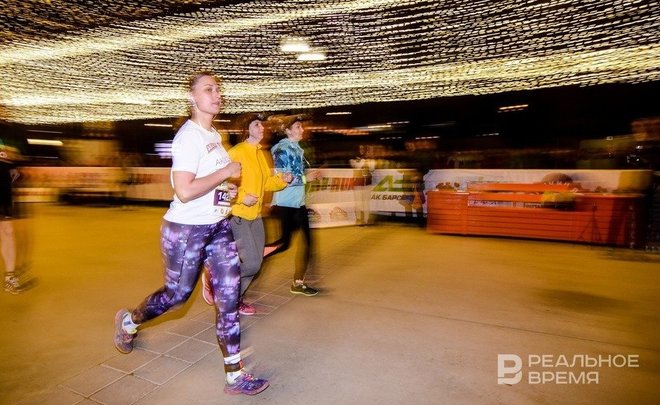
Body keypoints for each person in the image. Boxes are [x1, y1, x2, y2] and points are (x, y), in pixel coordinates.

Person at [113, 71, 269, 396]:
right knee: (177, 296)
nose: (217, 94)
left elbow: (210, 185)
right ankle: (129, 321)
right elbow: (184, 190)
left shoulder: (213, 134)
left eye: (218, 89)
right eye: (208, 89)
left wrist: (231, 194)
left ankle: (235, 376)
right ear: (192, 98)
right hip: (186, 231)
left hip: (219, 227)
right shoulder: (188, 137)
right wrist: (225, 173)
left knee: (229, 299)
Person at [201, 113, 292, 315]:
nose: (262, 128)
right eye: (256, 124)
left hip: (256, 216)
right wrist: (242, 197)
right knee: (250, 263)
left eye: (262, 124)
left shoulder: (261, 153)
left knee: (256, 264)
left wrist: (282, 180)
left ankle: (235, 299)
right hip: (238, 216)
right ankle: (217, 279)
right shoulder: (236, 152)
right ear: (246, 129)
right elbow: (223, 184)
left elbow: (266, 183)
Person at [264, 115, 320, 296]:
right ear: (287, 130)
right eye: (298, 127)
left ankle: (298, 282)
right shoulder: (282, 150)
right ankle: (253, 256)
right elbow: (282, 179)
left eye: (301, 127)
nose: (302, 130)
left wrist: (307, 179)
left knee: (308, 242)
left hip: (298, 203)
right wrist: (305, 178)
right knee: (284, 243)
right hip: (285, 204)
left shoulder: (297, 148)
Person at [1, 145, 23, 294]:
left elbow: (16, 173)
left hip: (3, 198)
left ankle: (9, 278)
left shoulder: (7, 147)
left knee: (8, 233)